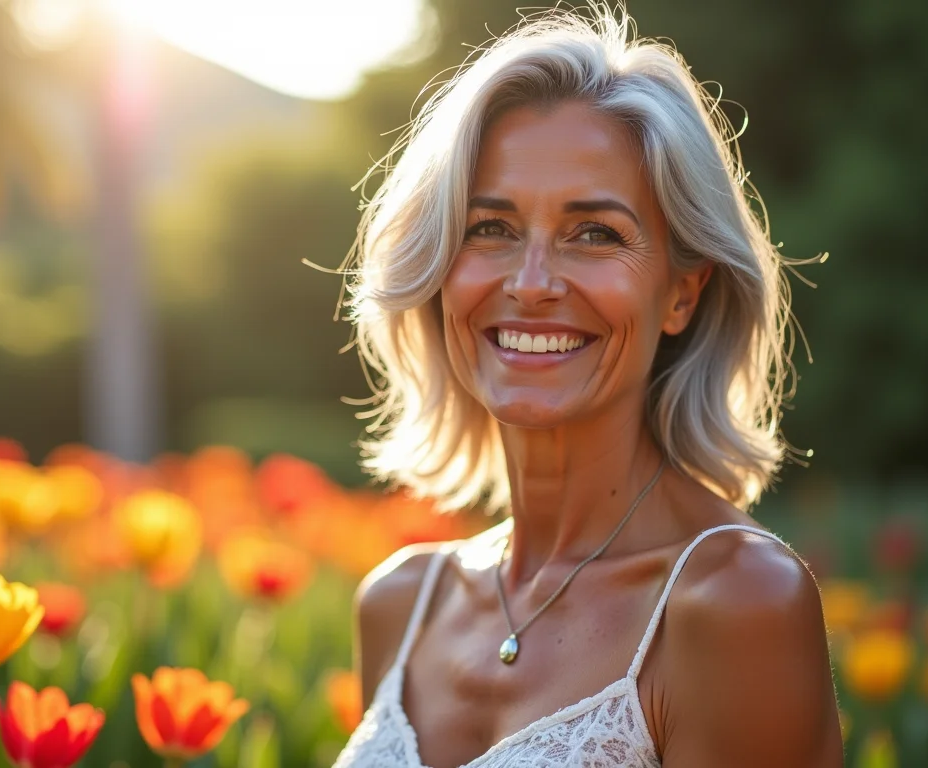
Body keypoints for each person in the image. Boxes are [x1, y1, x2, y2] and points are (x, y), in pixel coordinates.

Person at [332, 6, 842, 767]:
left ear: (682, 294)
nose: (531, 283)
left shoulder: (736, 602)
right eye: (489, 228)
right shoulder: (400, 603)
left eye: (595, 233)